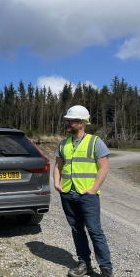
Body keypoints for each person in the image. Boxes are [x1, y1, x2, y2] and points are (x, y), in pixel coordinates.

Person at [53, 105, 113, 277]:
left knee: (95, 231)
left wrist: (93, 189)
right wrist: (57, 183)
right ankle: (84, 264)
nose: (68, 123)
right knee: (77, 230)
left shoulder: (95, 142)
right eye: (67, 120)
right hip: (67, 194)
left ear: (82, 123)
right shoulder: (63, 144)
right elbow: (58, 166)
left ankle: (106, 270)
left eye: (71, 121)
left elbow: (104, 168)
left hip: (87, 195)